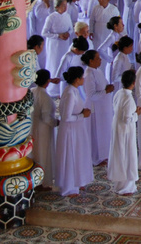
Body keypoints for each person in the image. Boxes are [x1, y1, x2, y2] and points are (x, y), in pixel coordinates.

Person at [55, 66, 93, 196]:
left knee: (77, 154)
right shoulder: (70, 93)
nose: (84, 79)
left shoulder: (74, 90)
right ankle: (69, 187)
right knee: (70, 155)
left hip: (77, 128)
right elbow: (65, 117)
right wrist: (83, 115)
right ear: (77, 79)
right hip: (70, 130)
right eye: (82, 77)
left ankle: (77, 181)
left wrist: (82, 112)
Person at [108, 69, 141, 195]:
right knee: (126, 156)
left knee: (120, 154)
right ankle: (125, 186)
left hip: (117, 128)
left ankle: (121, 184)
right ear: (133, 82)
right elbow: (127, 119)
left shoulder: (119, 93)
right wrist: (136, 114)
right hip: (125, 131)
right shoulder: (128, 98)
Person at [82, 49, 114, 166]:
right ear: (91, 61)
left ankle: (102, 155)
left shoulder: (97, 70)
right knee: (95, 133)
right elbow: (91, 95)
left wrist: (107, 88)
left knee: (103, 131)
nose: (100, 60)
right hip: (95, 108)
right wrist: (106, 91)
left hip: (103, 107)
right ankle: (95, 158)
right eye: (97, 58)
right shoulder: (89, 74)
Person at [30, 69, 56, 190]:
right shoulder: (45, 96)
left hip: (31, 127)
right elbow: (46, 118)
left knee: (33, 153)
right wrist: (56, 122)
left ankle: (33, 180)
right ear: (47, 81)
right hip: (43, 130)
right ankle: (41, 182)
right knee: (42, 155)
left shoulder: (31, 91)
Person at [42, 0, 73, 76]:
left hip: (65, 44)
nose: (65, 7)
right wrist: (58, 36)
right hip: (54, 45)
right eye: (63, 5)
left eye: (66, 5)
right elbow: (44, 32)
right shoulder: (51, 17)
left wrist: (68, 33)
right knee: (55, 63)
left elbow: (71, 28)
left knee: (64, 63)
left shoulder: (67, 16)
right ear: (57, 6)